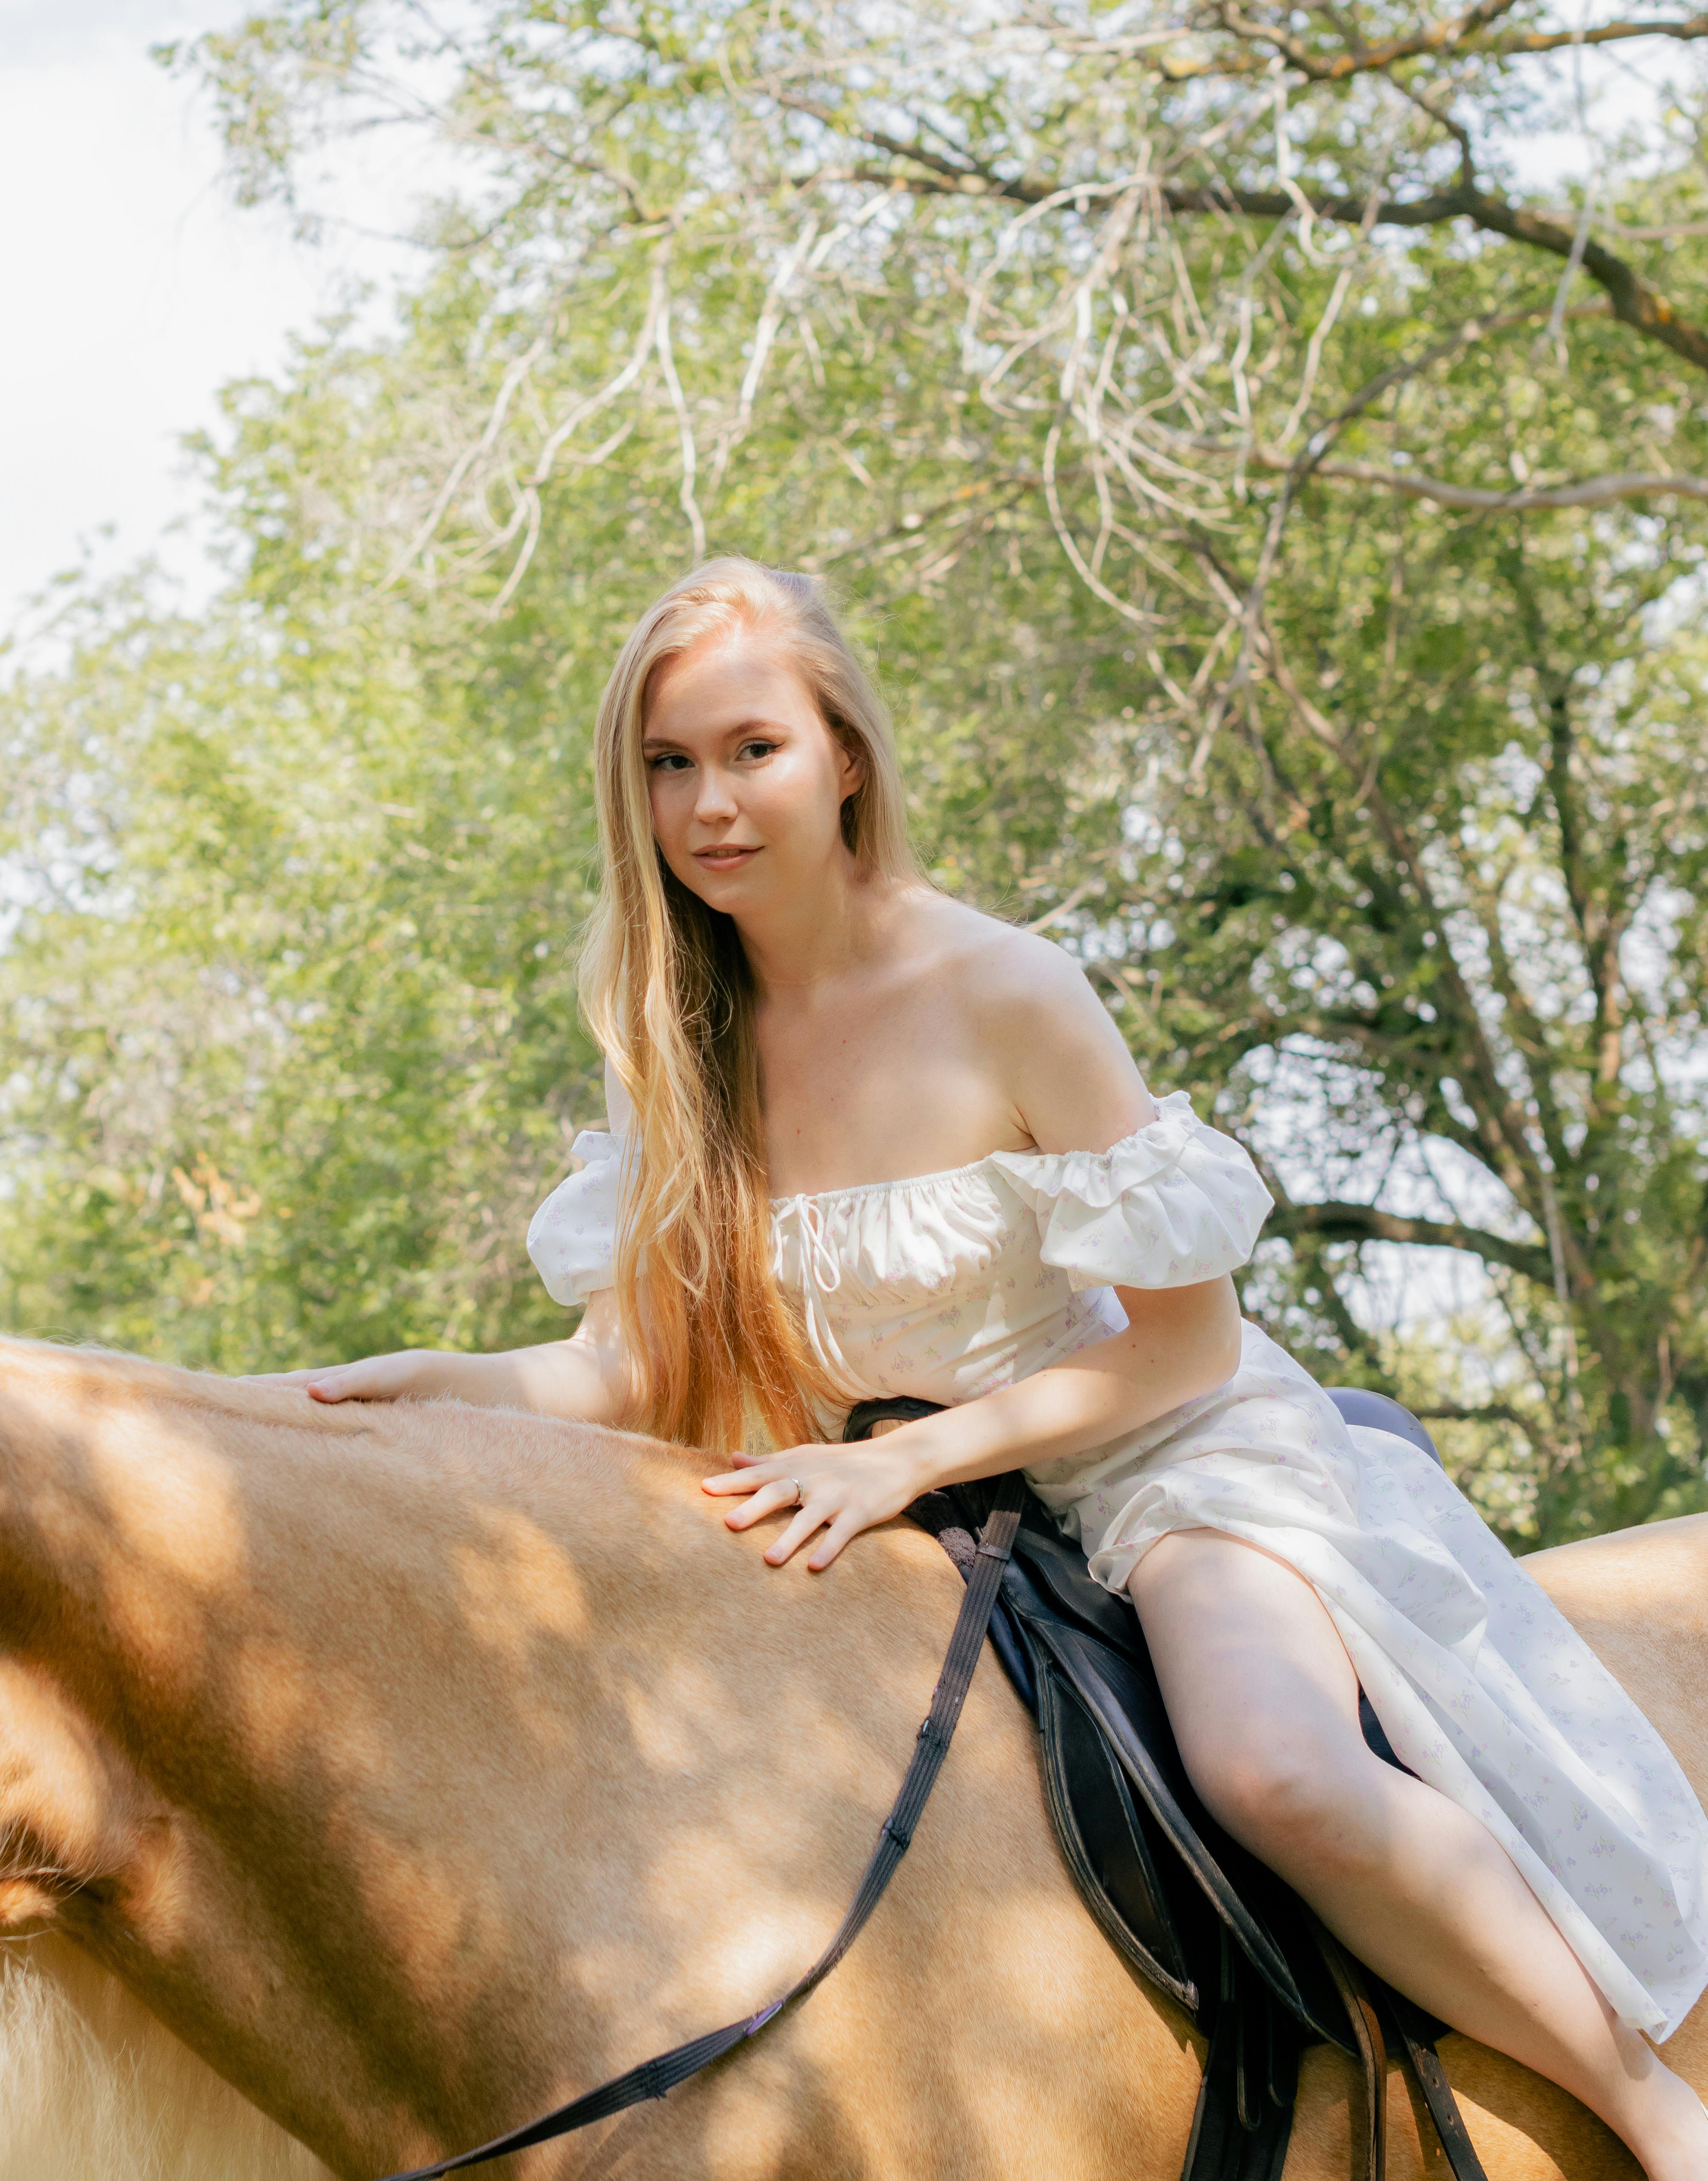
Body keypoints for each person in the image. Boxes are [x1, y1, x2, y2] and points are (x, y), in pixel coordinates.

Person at [289, 556, 1708, 2175]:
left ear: (846, 756)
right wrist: (429, 1389)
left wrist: (902, 1457)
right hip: (911, 1501)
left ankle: (1660, 2116)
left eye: (751, 750)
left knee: (1277, 1766)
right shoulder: (680, 1045)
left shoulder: (1003, 988)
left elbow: (1189, 1344)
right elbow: (627, 1365)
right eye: (667, 767)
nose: (710, 805)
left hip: (1156, 1456)